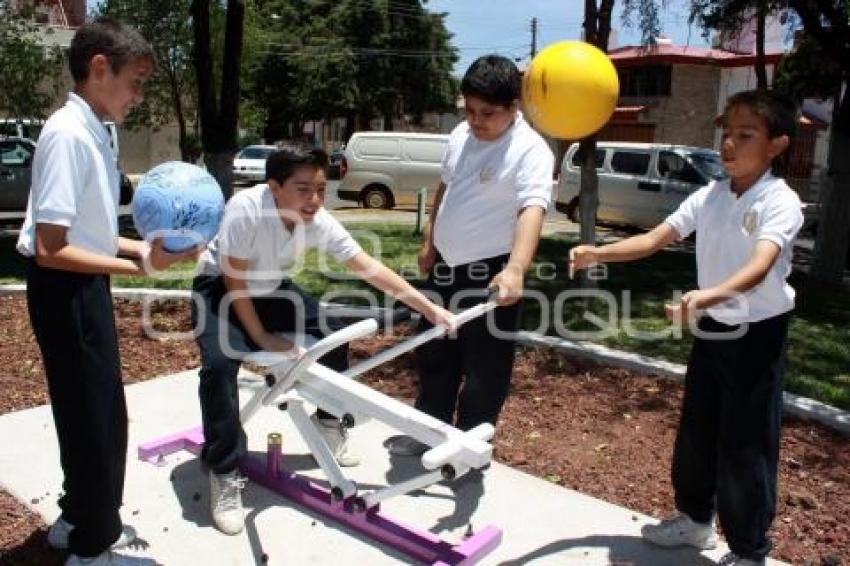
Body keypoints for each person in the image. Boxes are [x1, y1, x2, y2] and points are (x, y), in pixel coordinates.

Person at [570, 90, 803, 566]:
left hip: (758, 335)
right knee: (698, 431)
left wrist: (707, 295)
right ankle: (696, 523)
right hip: (715, 329)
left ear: (776, 145)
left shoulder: (781, 201)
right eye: (727, 134)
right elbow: (658, 238)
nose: (729, 145)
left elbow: (760, 267)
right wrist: (598, 252)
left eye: (746, 135)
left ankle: (749, 550)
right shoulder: (713, 193)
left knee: (745, 444)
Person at [192, 145, 455, 535]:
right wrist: (261, 335)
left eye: (321, 188)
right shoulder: (246, 208)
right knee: (217, 366)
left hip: (271, 289)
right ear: (274, 186)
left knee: (333, 332)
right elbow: (234, 281)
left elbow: (367, 266)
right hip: (220, 289)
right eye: (303, 189)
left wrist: (429, 306)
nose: (315, 200)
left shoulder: (317, 218)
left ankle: (330, 424)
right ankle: (224, 470)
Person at [17, 18, 196, 566]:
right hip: (66, 288)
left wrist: (139, 249)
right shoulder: (68, 135)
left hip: (77, 284)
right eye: (135, 81)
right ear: (100, 69)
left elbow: (85, 231)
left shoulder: (90, 128)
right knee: (98, 420)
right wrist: (141, 271)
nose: (139, 96)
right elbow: (51, 247)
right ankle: (93, 551)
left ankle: (75, 521)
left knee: (90, 413)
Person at [388, 55, 555, 456]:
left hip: (492, 274)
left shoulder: (531, 150)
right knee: (434, 351)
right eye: (470, 110)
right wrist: (430, 239)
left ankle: (468, 448)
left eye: (488, 113)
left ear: (514, 107)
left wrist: (516, 269)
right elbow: (445, 187)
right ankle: (430, 432)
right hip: (446, 266)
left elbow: (532, 209)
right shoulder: (462, 134)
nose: (476, 120)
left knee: (485, 368)